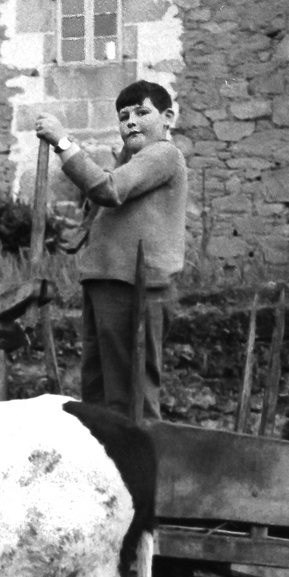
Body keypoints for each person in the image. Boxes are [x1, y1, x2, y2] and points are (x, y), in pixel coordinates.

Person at [35, 79, 187, 420]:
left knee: (130, 396)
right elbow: (108, 208)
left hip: (135, 286)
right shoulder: (128, 163)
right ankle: (106, 466)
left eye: (141, 112)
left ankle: (138, 466)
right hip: (104, 282)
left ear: (167, 119)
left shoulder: (163, 154)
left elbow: (108, 190)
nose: (130, 121)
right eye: (123, 116)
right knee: (98, 391)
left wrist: (62, 143)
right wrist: (80, 233)